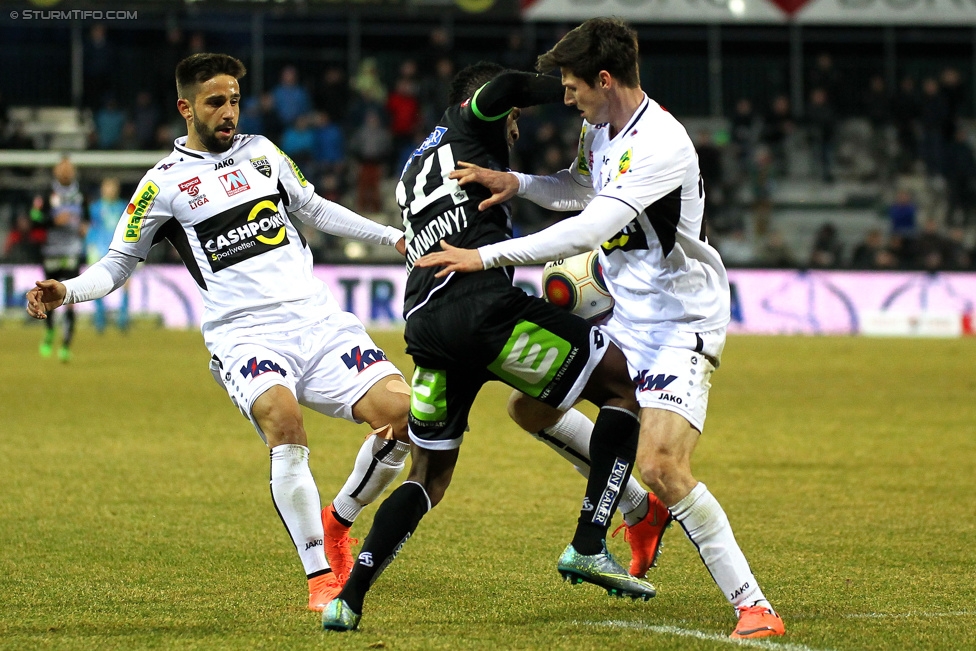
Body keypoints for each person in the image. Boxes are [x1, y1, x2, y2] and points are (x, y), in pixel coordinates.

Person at [414, 19, 785, 640]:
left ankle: (754, 606)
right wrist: (519, 184)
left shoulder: (661, 143)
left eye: (571, 86)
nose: (565, 98)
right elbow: (583, 189)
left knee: (662, 463)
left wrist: (485, 257)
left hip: (678, 320)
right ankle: (639, 515)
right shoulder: (598, 128)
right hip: (622, 309)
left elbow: (590, 227)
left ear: (603, 79)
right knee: (528, 410)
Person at [26, 53, 415, 613]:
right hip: (246, 335)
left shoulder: (263, 153)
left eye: (234, 99)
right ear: (186, 108)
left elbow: (315, 208)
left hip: (319, 321)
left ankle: (339, 520)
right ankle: (322, 577)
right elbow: (116, 264)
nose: (229, 111)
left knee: (404, 416)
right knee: (285, 422)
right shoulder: (162, 185)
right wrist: (67, 290)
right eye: (215, 102)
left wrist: (392, 237)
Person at [321, 62, 671, 632]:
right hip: (482, 310)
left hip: (426, 328)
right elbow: (500, 90)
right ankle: (589, 539)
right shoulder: (471, 126)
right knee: (619, 385)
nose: (516, 127)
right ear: (492, 110)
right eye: (514, 118)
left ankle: (349, 598)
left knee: (428, 476)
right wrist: (564, 83)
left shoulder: (413, 165)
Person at [36, 157, 89, 362]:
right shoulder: (46, 193)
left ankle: (66, 345)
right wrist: (52, 220)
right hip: (51, 251)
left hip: (71, 252)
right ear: (56, 170)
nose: (66, 171)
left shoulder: (81, 193)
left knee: (70, 298)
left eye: (70, 168)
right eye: (63, 168)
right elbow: (34, 217)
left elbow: (86, 218)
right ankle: (49, 331)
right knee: (48, 297)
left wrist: (85, 226)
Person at [86, 177, 130, 332]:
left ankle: (123, 318)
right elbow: (91, 228)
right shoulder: (95, 208)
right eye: (107, 187)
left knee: (125, 283)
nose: (110, 190)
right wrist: (90, 247)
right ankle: (100, 318)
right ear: (102, 189)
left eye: (112, 187)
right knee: (97, 284)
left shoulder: (123, 207)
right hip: (99, 249)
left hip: (120, 250)